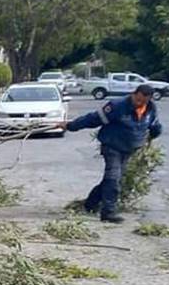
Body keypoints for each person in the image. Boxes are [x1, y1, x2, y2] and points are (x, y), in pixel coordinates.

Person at [58, 84, 163, 224]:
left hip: (129, 149)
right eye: (138, 100)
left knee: (113, 179)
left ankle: (90, 204)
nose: (140, 103)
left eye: (144, 101)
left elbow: (154, 125)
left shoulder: (150, 108)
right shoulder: (117, 106)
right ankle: (108, 212)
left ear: (149, 99)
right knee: (113, 177)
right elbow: (94, 119)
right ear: (133, 94)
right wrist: (71, 125)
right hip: (112, 146)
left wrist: (154, 135)